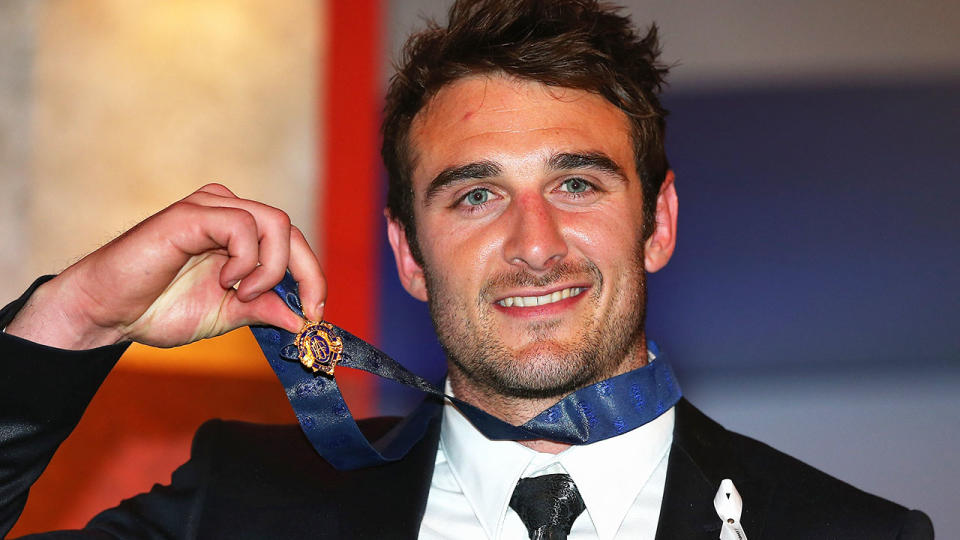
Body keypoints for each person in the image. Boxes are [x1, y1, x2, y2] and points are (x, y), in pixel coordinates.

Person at [0, 0, 934, 538]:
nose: (535, 244)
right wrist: (73, 318)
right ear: (408, 253)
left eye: (576, 183)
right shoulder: (245, 504)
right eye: (475, 195)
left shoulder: (850, 535)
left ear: (658, 221)